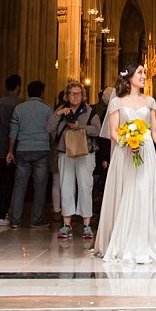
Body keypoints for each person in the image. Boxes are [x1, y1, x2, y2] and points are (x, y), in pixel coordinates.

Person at [94, 64, 156, 264]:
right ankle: (123, 243)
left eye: (144, 73)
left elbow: (155, 132)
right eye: (141, 73)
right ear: (129, 77)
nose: (144, 76)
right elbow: (113, 132)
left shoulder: (150, 101)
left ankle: (143, 243)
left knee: (144, 194)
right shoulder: (117, 102)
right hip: (125, 153)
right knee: (127, 194)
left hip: (146, 153)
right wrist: (128, 143)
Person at [49, 82, 96, 240]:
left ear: (83, 96)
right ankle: (66, 224)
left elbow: (99, 129)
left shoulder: (89, 111)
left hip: (85, 153)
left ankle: (86, 225)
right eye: (72, 93)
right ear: (67, 96)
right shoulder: (61, 110)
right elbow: (49, 128)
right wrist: (58, 114)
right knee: (66, 187)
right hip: (65, 153)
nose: (75, 96)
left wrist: (80, 126)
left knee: (85, 187)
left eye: (78, 94)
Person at [7, 80, 53, 228]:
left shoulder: (19, 109)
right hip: (41, 149)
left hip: (22, 149)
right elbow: (52, 131)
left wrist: (10, 151)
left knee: (19, 185)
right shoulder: (47, 109)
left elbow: (13, 132)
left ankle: (15, 220)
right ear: (42, 93)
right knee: (40, 186)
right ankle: (36, 219)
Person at [0, 74, 23, 225]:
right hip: (11, 149)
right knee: (8, 182)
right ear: (18, 87)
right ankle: (1, 213)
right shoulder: (20, 104)